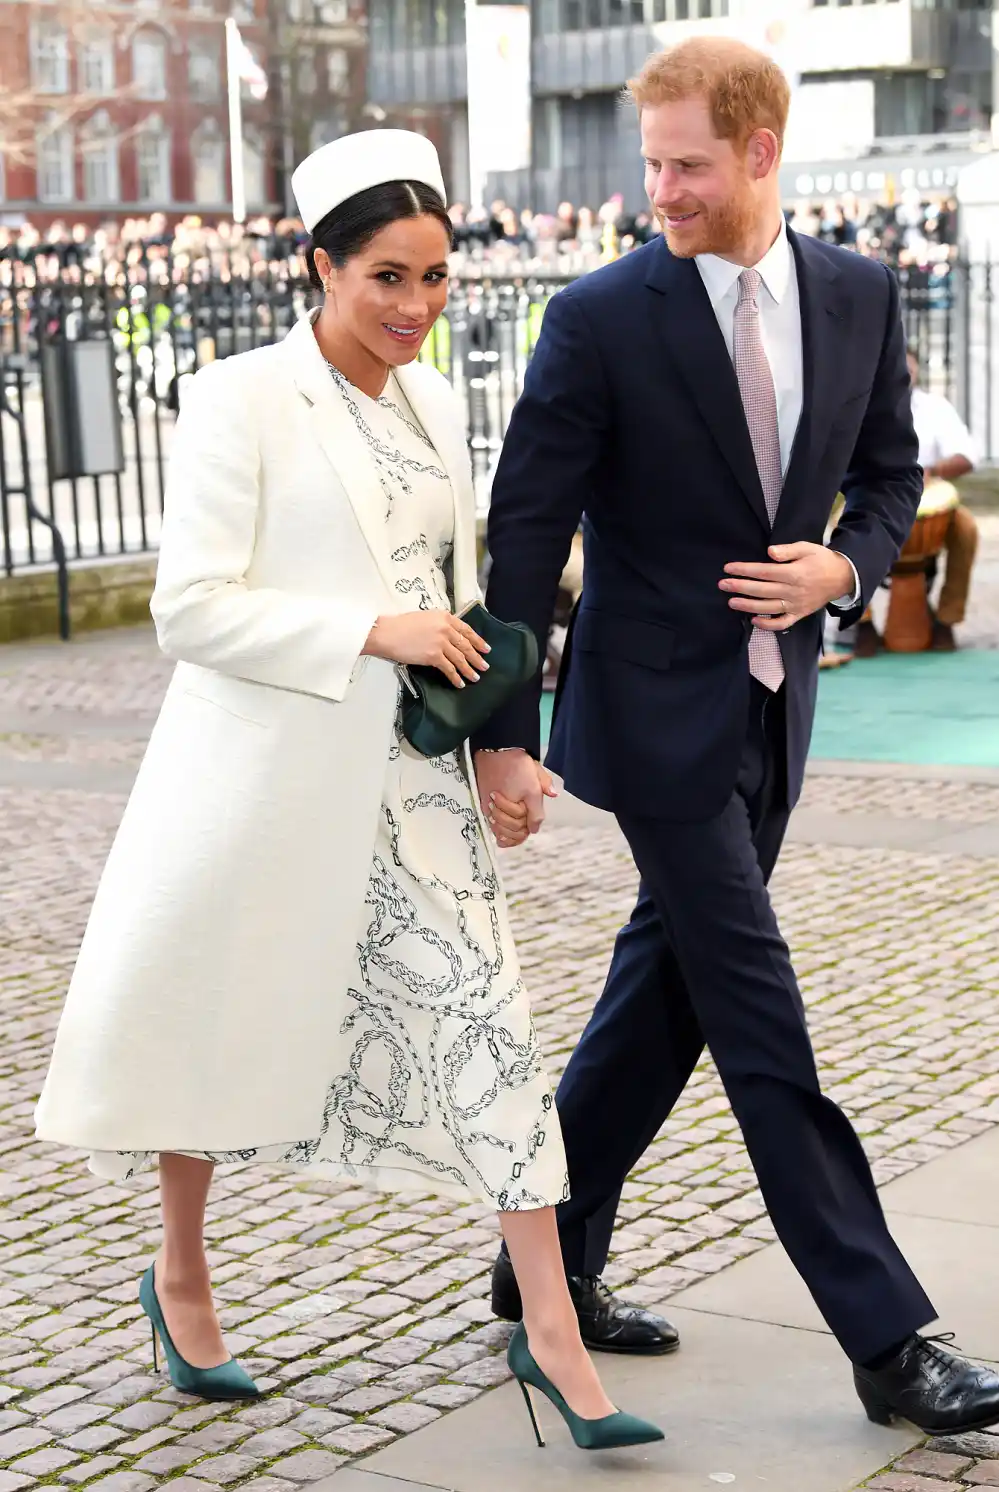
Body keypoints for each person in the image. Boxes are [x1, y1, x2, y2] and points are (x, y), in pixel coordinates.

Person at [34, 130, 661, 1452]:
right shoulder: (237, 398)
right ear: (316, 265)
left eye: (433, 278)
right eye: (385, 276)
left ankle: (549, 1334)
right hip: (259, 782)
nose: (414, 308)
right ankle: (184, 1274)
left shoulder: (435, 410)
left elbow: (457, 609)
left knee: (489, 1033)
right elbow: (188, 610)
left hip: (414, 786)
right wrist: (371, 631)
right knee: (210, 1034)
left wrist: (499, 742)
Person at [474, 37, 999, 1435]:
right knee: (759, 1013)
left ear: (762, 152)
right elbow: (525, 526)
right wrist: (499, 732)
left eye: (686, 164)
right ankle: (887, 1340)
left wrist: (840, 568)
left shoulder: (856, 293)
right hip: (646, 714)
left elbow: (886, 475)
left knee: (664, 997)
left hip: (778, 702)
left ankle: (542, 1266)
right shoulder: (597, 316)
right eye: (649, 162)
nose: (659, 189)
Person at [855, 345, 978, 656]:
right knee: (839, 529)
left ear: (916, 370)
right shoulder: (860, 403)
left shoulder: (935, 407)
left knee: (966, 529)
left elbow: (967, 456)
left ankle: (947, 620)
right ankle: (862, 623)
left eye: (908, 367)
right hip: (871, 497)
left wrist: (932, 471)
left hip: (928, 499)